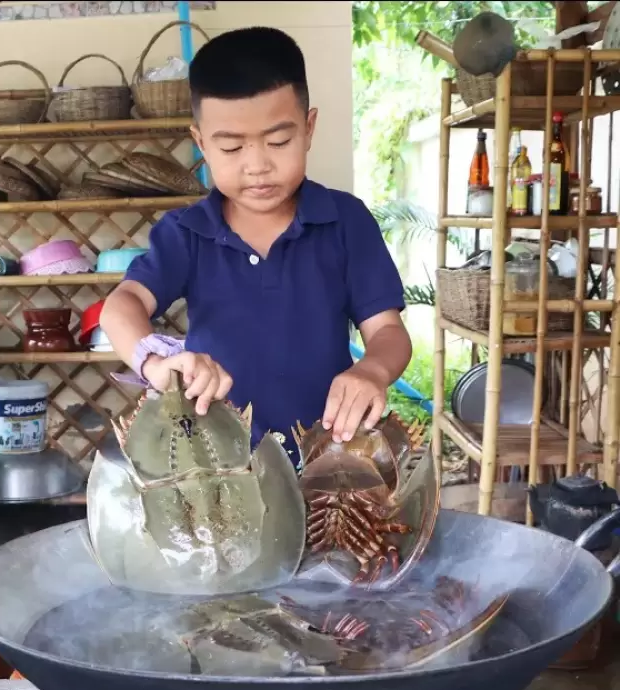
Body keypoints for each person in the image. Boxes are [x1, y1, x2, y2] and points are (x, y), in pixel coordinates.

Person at [99, 26, 413, 466]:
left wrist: (373, 370)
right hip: (216, 467)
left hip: (327, 459)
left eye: (278, 141)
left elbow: (387, 331)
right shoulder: (186, 232)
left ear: (309, 128)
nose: (257, 165)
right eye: (231, 147)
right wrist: (155, 363)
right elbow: (121, 305)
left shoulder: (346, 222)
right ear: (201, 143)